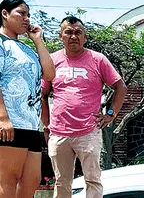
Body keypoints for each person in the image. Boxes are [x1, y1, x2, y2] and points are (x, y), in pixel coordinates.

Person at [41, 16, 127, 198]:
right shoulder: (52, 60)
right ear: (61, 36)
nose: (73, 36)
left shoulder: (98, 59)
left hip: (89, 132)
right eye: (69, 32)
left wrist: (110, 114)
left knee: (93, 180)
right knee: (62, 182)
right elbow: (43, 94)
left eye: (78, 32)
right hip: (59, 133)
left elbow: (120, 87)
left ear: (85, 37)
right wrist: (46, 125)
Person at [0, 0, 55, 198]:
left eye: (28, 15)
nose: (26, 19)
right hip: (9, 124)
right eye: (21, 13)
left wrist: (38, 41)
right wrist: (3, 118)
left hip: (31, 124)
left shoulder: (27, 49)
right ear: (4, 14)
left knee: (31, 180)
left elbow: (49, 74)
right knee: (8, 180)